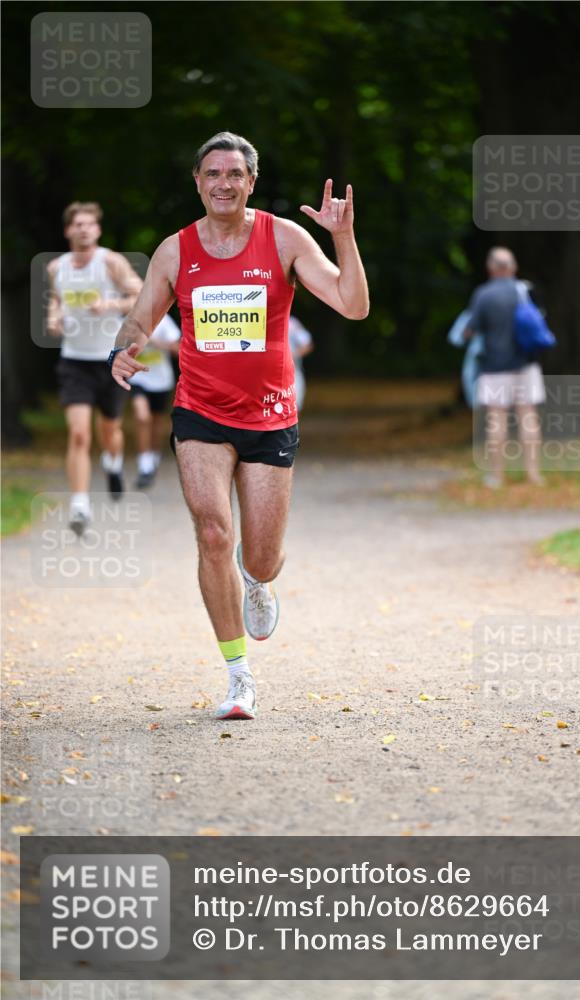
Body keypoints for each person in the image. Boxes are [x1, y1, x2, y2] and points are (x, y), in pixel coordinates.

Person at [109, 131, 369, 720]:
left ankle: (257, 581)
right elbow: (140, 319)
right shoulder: (175, 251)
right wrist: (123, 349)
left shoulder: (285, 238)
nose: (223, 183)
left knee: (263, 554)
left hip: (271, 415)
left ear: (251, 182)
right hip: (199, 411)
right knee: (211, 533)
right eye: (212, 174)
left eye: (235, 174)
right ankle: (237, 675)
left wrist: (344, 238)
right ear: (197, 183)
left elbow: (353, 305)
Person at [47, 202, 142, 534]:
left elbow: (141, 295)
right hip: (74, 360)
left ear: (97, 230)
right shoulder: (57, 267)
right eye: (77, 224)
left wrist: (111, 304)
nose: (83, 229)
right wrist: (53, 317)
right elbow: (57, 301)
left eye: (89, 224)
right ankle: (80, 505)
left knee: (109, 431)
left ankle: (113, 463)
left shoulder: (111, 262)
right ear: (68, 231)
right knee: (78, 433)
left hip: (109, 360)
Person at [467, 247, 546, 487]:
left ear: (491, 268)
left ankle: (496, 476)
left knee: (497, 420)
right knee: (528, 417)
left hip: (494, 367)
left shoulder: (484, 295)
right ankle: (533, 474)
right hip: (526, 364)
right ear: (513, 267)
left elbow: (470, 330)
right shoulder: (525, 291)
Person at [128, 312, 181, 488]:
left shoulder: (162, 320)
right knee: (142, 416)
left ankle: (154, 456)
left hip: (161, 381)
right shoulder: (127, 322)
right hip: (138, 379)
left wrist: (156, 343)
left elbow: (178, 348)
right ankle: (144, 465)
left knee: (158, 424)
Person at [288, 314, 314, 411]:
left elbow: (307, 345)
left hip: (293, 373)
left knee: (294, 408)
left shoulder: (292, 323)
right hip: (270, 374)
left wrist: (291, 355)